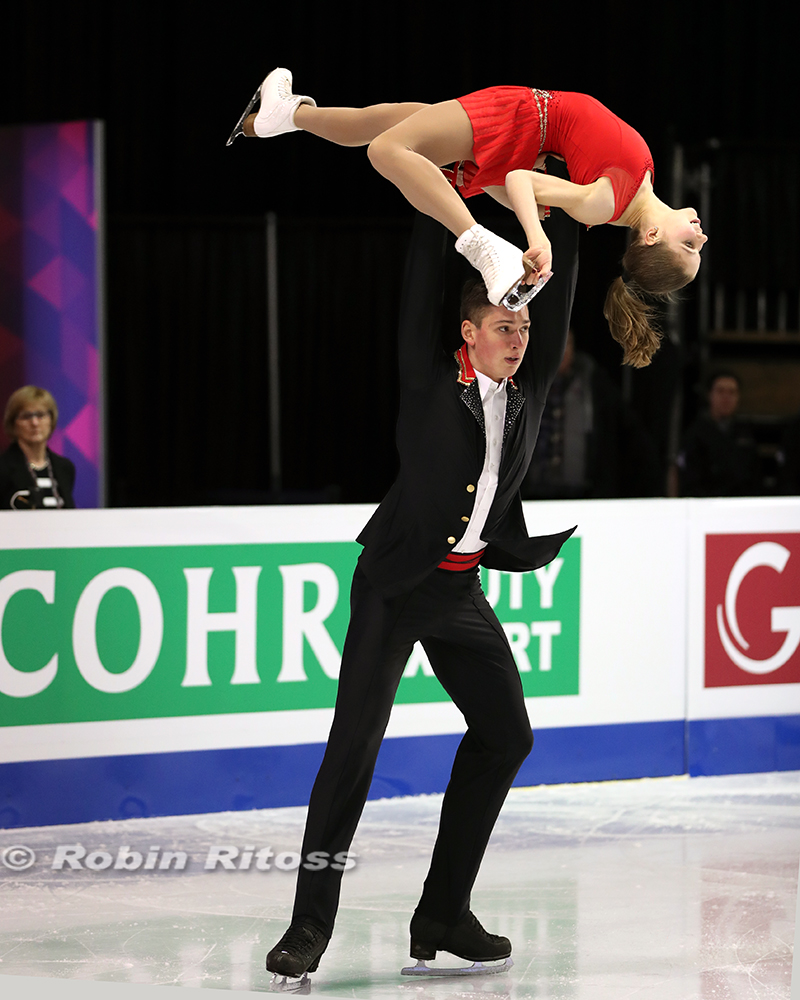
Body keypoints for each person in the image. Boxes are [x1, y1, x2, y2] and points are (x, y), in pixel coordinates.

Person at [263, 205, 579, 980]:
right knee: (353, 749)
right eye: (503, 327)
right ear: (469, 332)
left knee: (506, 735)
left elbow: (561, 284)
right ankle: (308, 926)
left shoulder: (529, 386)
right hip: (396, 585)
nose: (518, 339)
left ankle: (443, 912)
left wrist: (559, 212)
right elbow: (418, 283)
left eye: (524, 329)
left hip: (462, 591)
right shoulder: (427, 377)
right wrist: (435, 196)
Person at [228, 69, 708, 367]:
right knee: (391, 120)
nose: (700, 237)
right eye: (696, 246)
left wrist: (536, 237)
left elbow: (521, 181)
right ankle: (284, 116)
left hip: (520, 117)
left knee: (387, 148)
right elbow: (530, 180)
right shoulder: (637, 185)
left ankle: (478, 243)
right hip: (527, 129)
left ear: (649, 236)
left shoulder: (607, 203)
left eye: (687, 246)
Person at [521, 330, 661, 499]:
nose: (561, 350)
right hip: (533, 494)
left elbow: (626, 433)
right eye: (554, 344)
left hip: (584, 494)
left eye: (566, 343)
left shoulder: (593, 383)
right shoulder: (524, 384)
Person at [676, 371, 761, 497]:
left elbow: (755, 477)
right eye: (720, 391)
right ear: (709, 395)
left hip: (742, 502)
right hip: (707, 502)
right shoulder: (695, 434)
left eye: (732, 392)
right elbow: (690, 482)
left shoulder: (746, 433)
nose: (726, 397)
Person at [0, 386, 75, 510]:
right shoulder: (3, 468)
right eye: (26, 416)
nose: (34, 423)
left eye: (40, 415)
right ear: (13, 423)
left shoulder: (65, 468)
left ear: (51, 420)